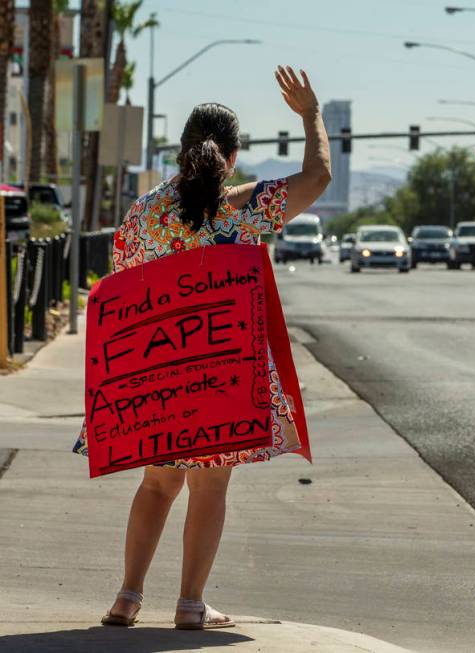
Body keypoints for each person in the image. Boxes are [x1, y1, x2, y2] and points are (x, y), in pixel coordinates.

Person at [73, 66, 331, 629]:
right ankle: (190, 605)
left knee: (158, 483)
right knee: (209, 484)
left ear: (183, 151)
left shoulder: (141, 215)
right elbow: (317, 178)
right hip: (223, 378)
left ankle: (127, 597)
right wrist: (311, 114)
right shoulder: (242, 209)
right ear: (231, 156)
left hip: (156, 379)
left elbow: (121, 292)